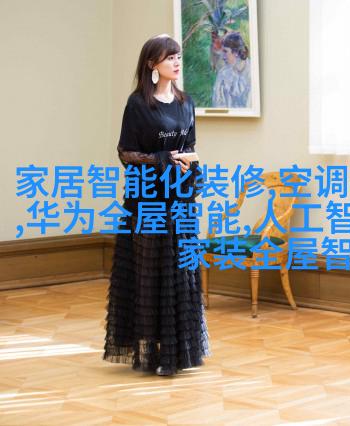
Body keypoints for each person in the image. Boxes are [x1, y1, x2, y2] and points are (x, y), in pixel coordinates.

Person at [103, 34, 210, 376]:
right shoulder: (138, 104)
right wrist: (162, 158)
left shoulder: (186, 102)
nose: (177, 62)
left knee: (180, 273)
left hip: (179, 198)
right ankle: (152, 351)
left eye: (178, 56)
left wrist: (188, 162)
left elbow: (190, 144)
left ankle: (177, 352)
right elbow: (125, 152)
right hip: (147, 199)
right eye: (169, 58)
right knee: (150, 272)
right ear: (152, 64)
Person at [211, 31, 251, 108]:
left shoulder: (252, 72)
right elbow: (217, 102)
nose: (223, 57)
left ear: (236, 52)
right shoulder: (223, 73)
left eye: (225, 51)